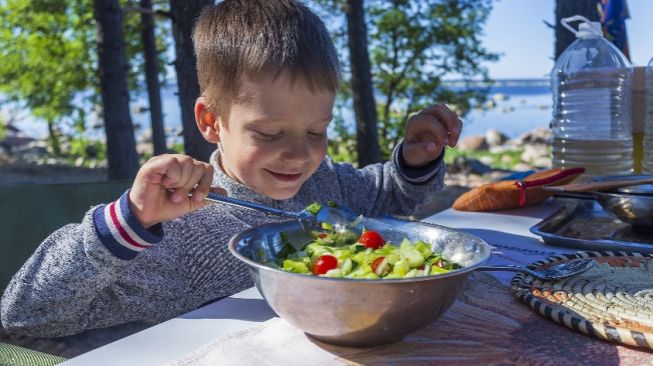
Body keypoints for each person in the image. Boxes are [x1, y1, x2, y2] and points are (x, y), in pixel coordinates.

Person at [1, 0, 462, 337]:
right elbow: (26, 314)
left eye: (317, 131)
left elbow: (387, 197)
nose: (300, 156)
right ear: (210, 121)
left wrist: (413, 161)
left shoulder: (327, 184)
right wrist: (129, 222)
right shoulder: (183, 235)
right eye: (269, 134)